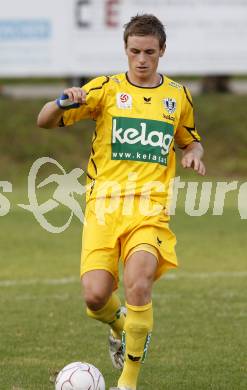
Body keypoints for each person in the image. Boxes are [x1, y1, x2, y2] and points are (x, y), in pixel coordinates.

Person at [37, 14, 205, 390]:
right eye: (134, 52)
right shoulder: (106, 89)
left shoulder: (177, 96)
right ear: (125, 51)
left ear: (162, 51)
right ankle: (121, 326)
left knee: (139, 285)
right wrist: (62, 101)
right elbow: (44, 121)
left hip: (150, 209)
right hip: (104, 208)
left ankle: (127, 383)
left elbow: (190, 138)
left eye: (149, 52)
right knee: (96, 297)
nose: (141, 59)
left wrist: (194, 153)